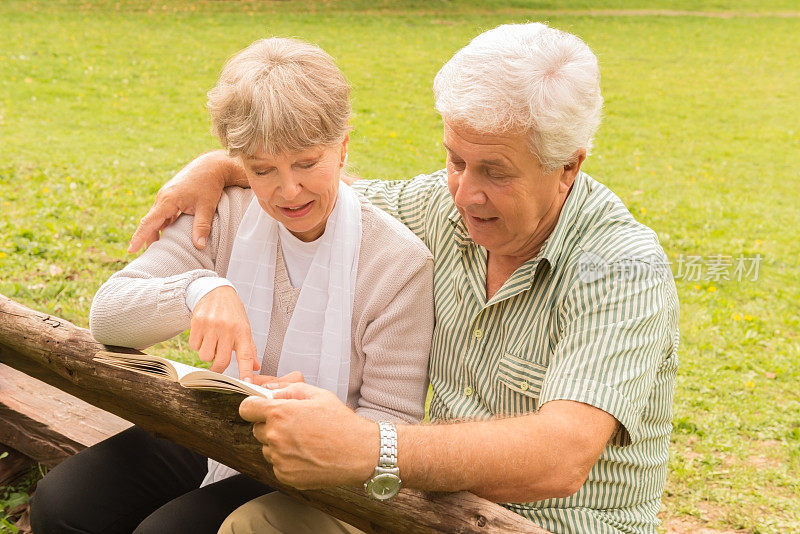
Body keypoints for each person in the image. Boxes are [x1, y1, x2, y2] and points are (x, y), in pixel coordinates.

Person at [129, 22, 680, 534]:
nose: (466, 193)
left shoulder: (621, 265)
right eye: (456, 160)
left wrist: (371, 447)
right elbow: (324, 195)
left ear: (568, 168)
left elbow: (561, 457)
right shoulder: (441, 208)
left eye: (495, 172)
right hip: (429, 503)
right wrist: (221, 165)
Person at [29, 37, 434, 534]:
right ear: (239, 161)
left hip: (316, 459)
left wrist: (320, 415)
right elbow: (108, 315)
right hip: (218, 424)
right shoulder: (225, 212)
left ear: (344, 146)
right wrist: (198, 290)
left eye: (307, 163)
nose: (289, 191)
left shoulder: (397, 263)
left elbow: (395, 423)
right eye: (263, 170)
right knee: (62, 503)